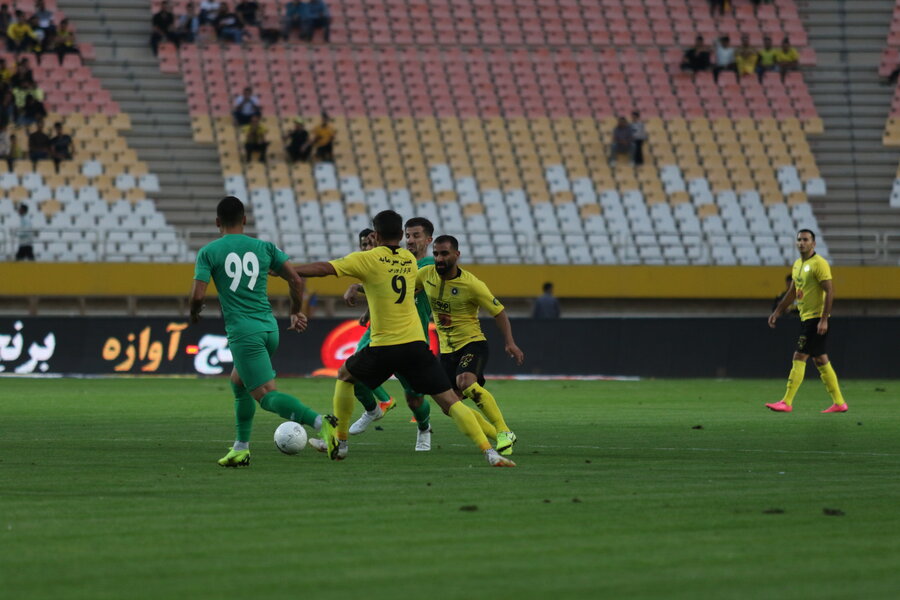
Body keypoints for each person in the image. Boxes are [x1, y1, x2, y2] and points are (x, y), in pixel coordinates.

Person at [292, 210, 516, 467]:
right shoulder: (410, 261)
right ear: (400, 235)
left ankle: (341, 442)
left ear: (375, 235)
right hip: (416, 345)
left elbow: (324, 268)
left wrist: (287, 270)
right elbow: (391, 286)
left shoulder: (368, 258)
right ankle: (489, 452)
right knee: (450, 401)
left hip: (384, 346)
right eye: (407, 235)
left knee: (345, 375)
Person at [190, 196, 336, 467]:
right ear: (244, 220)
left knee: (266, 396)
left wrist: (194, 312)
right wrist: (295, 311)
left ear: (217, 222)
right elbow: (295, 279)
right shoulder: (264, 247)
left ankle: (321, 423)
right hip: (269, 329)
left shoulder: (209, 252)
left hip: (244, 333)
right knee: (238, 383)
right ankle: (240, 448)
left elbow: (198, 295)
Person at [415, 235, 524, 456]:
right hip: (447, 351)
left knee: (465, 381)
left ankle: (503, 430)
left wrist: (510, 342)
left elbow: (499, 312)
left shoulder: (472, 284)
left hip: (472, 343)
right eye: (436, 254)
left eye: (444, 253)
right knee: (449, 406)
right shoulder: (425, 274)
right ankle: (500, 435)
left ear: (457, 255)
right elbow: (400, 289)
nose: (439, 258)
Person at [344, 218, 440, 451]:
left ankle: (424, 427)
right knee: (351, 375)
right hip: (379, 333)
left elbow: (398, 286)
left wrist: (357, 286)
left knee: (414, 398)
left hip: (411, 338)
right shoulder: (397, 260)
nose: (410, 240)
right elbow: (385, 286)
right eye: (408, 236)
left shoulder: (429, 265)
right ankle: (373, 410)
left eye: (416, 236)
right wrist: (368, 309)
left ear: (428, 240)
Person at [766, 230, 848, 414]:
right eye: (799, 239)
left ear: (813, 244)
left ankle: (786, 402)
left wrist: (824, 319)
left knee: (799, 356)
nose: (802, 242)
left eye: (806, 239)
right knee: (820, 359)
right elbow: (792, 292)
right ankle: (839, 403)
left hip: (816, 318)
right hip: (807, 318)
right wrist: (778, 311)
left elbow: (830, 291)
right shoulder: (797, 265)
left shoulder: (819, 263)